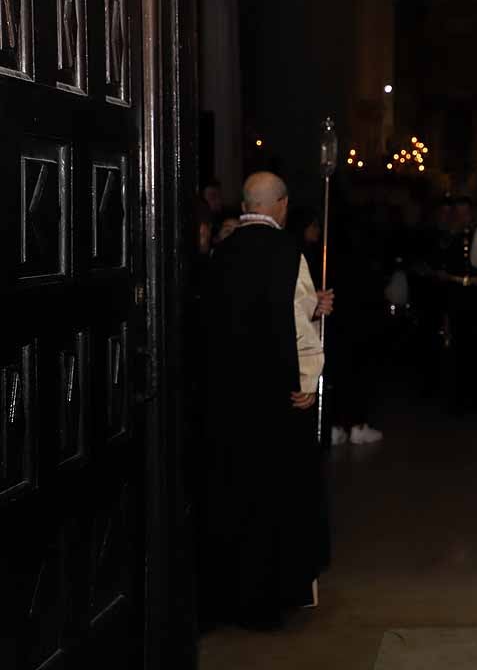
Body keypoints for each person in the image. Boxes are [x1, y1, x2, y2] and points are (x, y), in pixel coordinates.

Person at [197, 172, 332, 629]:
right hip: (277, 398)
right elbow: (296, 327)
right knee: (275, 497)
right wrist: (309, 382)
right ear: (280, 204)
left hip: (230, 399)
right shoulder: (287, 252)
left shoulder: (221, 252)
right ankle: (273, 594)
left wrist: (313, 304)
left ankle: (232, 595)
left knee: (236, 493)